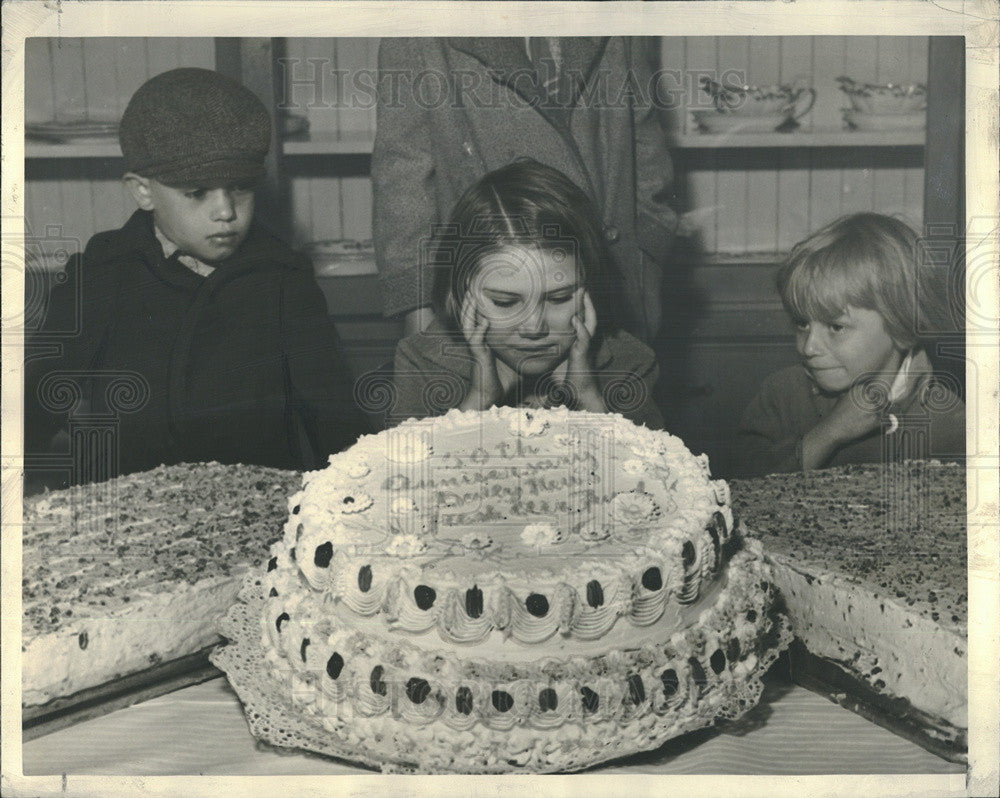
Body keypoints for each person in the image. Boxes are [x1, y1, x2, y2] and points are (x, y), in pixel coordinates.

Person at [24, 67, 367, 491]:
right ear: (143, 191)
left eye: (239, 188)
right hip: (126, 509)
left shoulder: (282, 280)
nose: (225, 211)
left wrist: (350, 496)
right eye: (197, 192)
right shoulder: (102, 276)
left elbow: (334, 417)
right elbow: (37, 402)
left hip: (255, 508)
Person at [372, 36, 678, 343]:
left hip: (610, 291)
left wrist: (646, 265)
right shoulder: (419, 26)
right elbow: (402, 177)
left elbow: (647, 145)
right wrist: (418, 305)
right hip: (484, 302)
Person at [390, 159, 663, 429]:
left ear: (592, 286)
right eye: (505, 302)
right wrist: (478, 400)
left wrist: (589, 398)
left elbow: (652, 471)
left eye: (559, 298)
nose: (534, 327)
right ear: (460, 293)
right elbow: (404, 470)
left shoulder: (631, 363)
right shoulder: (420, 364)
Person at [734, 213, 965, 477]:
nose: (809, 347)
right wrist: (828, 434)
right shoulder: (780, 395)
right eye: (802, 324)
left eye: (836, 327)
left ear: (901, 326)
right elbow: (735, 490)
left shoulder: (948, 420)